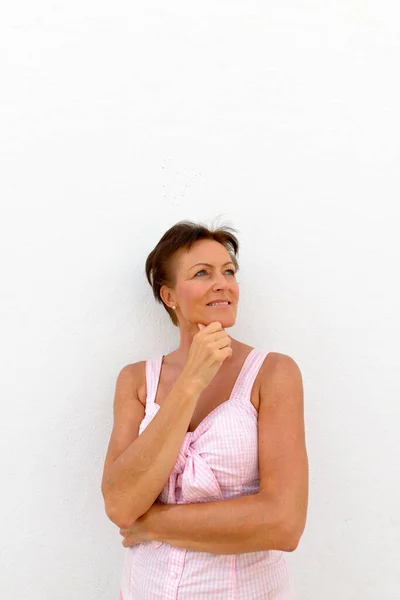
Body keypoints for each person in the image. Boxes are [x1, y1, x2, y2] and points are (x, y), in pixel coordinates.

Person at [101, 220, 308, 600]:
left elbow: (284, 523)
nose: (223, 283)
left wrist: (152, 525)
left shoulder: (273, 373)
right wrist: (190, 382)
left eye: (229, 272)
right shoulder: (135, 381)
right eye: (202, 273)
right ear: (169, 296)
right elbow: (119, 503)